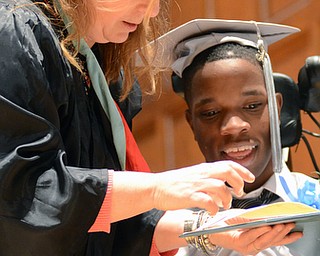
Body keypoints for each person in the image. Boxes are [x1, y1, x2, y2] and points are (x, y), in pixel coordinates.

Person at [0, 1, 302, 255]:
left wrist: (208, 229)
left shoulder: (102, 71)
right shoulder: (16, 32)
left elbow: (102, 224)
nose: (153, 11)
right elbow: (21, 199)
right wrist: (156, 189)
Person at [151, 18, 320, 255]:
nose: (233, 126)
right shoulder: (171, 226)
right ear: (192, 124)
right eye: (210, 113)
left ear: (276, 108)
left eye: (252, 106)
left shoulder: (315, 201)